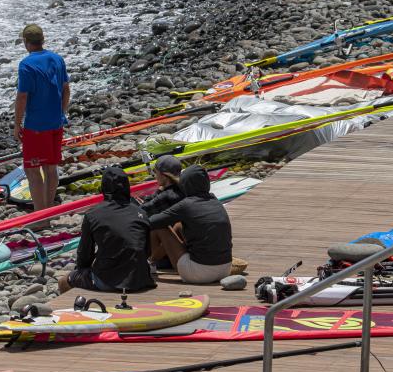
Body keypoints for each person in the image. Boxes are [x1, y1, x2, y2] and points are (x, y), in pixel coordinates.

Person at [58, 166, 155, 294]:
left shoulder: (93, 214)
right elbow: (147, 251)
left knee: (64, 281)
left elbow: (84, 254)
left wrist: (83, 271)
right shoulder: (141, 213)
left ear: (103, 187)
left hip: (109, 281)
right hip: (140, 279)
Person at [14, 24, 70, 211]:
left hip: (36, 126)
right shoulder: (57, 59)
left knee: (32, 170)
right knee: (50, 167)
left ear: (26, 42)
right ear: (43, 40)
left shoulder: (26, 64)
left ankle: (40, 215)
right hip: (56, 123)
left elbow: (22, 97)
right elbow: (66, 89)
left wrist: (17, 124)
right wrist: (61, 113)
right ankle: (48, 210)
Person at [149, 165, 233, 284]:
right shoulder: (215, 201)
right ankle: (152, 261)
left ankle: (150, 263)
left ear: (185, 184)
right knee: (178, 225)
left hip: (200, 273)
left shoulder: (186, 204)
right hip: (225, 269)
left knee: (160, 227)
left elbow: (152, 222)